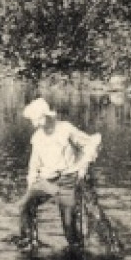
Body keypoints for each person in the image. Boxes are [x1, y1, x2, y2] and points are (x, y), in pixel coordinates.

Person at [17, 97, 101, 250]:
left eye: (37, 120)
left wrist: (83, 166)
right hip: (46, 181)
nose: (35, 124)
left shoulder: (65, 129)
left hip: (67, 181)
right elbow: (34, 163)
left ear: (46, 116)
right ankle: (29, 243)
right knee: (25, 205)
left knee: (69, 227)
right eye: (33, 121)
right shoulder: (37, 137)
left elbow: (90, 144)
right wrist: (31, 183)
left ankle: (77, 253)